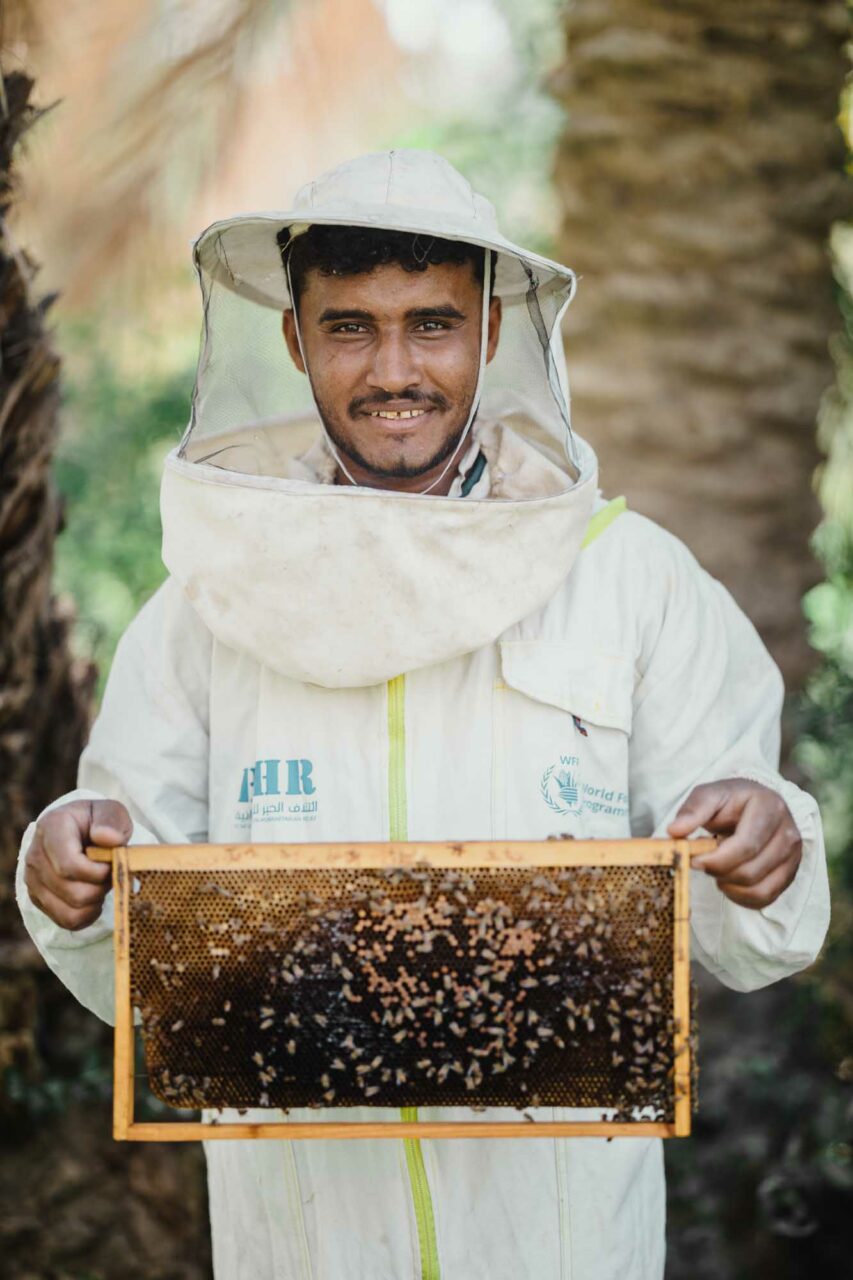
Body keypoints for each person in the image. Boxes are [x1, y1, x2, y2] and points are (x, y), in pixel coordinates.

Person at [16, 150, 830, 1280]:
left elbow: (747, 918)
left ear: (491, 330)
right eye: (349, 326)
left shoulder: (633, 580)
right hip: (300, 1238)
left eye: (431, 323)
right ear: (294, 340)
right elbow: (124, 908)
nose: (393, 368)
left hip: (561, 1241)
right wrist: (70, 871)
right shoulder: (204, 604)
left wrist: (766, 843)